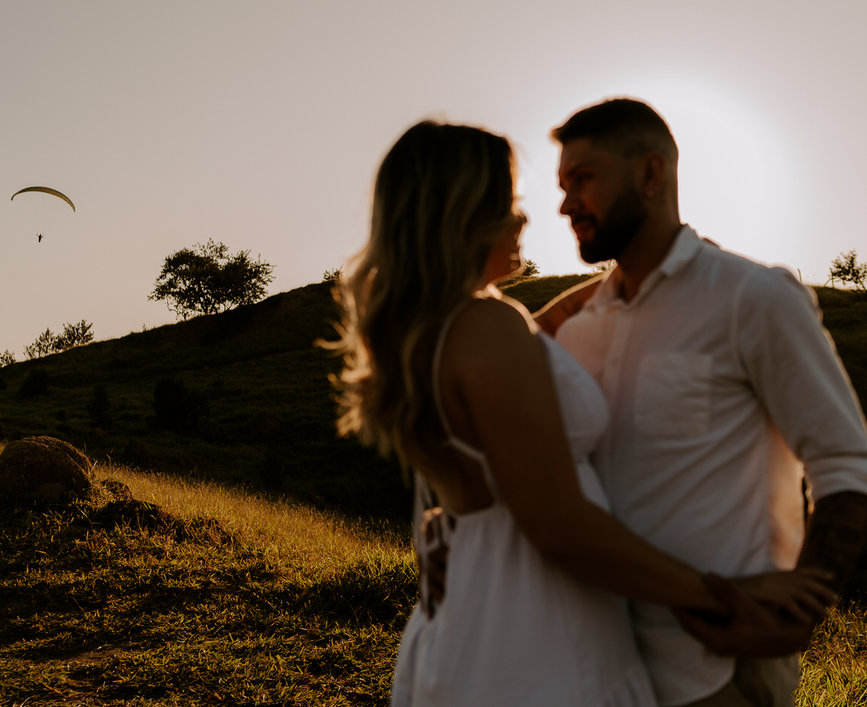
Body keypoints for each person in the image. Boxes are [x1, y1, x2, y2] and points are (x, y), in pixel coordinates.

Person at [330, 120, 835, 707]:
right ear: (462, 213)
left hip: (479, 606)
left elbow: (521, 383)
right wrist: (724, 596)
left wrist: (682, 264)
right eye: (509, 202)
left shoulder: (433, 331)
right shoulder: (487, 328)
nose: (525, 219)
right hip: (538, 628)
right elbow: (560, 527)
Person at [535, 98, 867, 707]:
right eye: (562, 186)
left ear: (652, 174)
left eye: (584, 179)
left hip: (721, 665)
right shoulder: (580, 328)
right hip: (594, 662)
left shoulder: (752, 297)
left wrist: (793, 622)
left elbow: (849, 465)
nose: (566, 205)